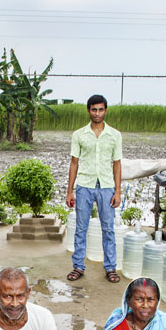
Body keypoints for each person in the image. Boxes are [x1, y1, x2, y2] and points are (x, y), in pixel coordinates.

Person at [66, 94, 122, 284]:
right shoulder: (79, 135)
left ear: (105, 111)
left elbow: (117, 164)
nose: (97, 113)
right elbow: (74, 163)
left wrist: (118, 191)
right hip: (84, 186)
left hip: (106, 187)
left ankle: (111, 268)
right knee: (81, 228)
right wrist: (70, 190)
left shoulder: (114, 135)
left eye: (100, 109)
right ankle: (78, 266)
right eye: (94, 109)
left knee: (108, 229)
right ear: (88, 110)